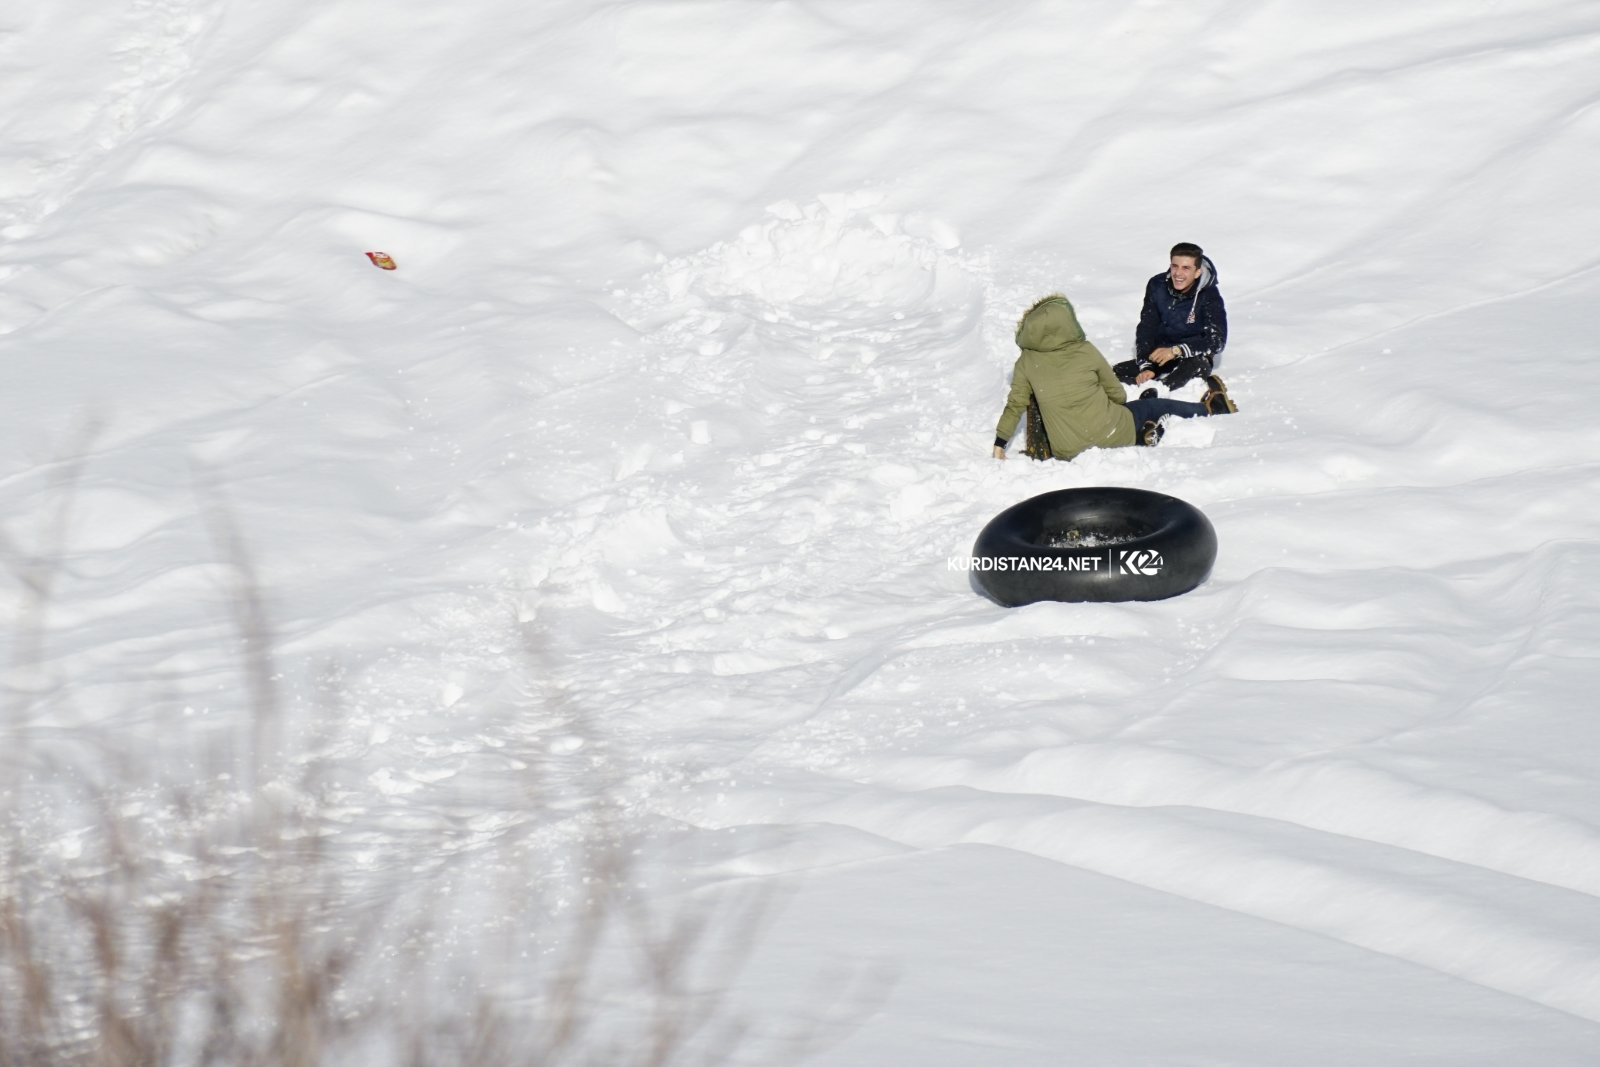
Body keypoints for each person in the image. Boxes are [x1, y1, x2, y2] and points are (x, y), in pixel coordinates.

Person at [992, 294, 1234, 462]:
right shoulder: (1085, 350)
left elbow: (1015, 406)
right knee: (1153, 405)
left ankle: (1147, 433)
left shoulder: (1025, 363)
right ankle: (1210, 409)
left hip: (1068, 450)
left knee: (1138, 410)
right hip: (1114, 432)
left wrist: (1000, 443)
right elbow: (1117, 394)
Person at [1113, 242, 1227, 390]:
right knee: (1115, 373)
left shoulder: (1209, 295)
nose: (1178, 273)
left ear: (1197, 272)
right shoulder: (1157, 284)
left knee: (1194, 366)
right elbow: (1147, 327)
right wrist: (1146, 366)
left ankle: (1159, 391)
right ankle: (1138, 390)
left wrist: (1176, 351)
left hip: (1191, 356)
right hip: (1160, 355)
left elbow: (1217, 341)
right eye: (1175, 266)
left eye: (1186, 268)